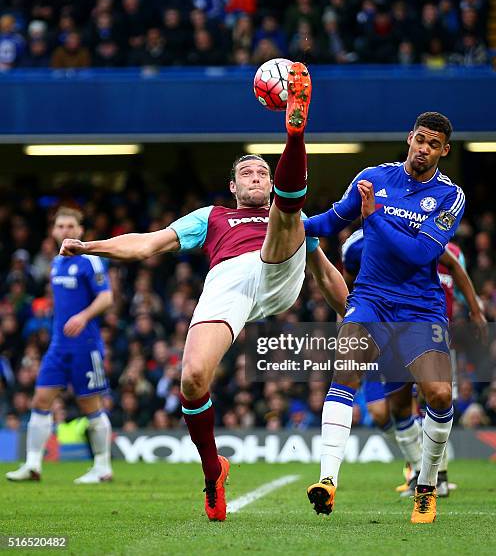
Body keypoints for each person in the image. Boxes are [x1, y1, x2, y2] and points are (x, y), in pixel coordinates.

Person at [56, 62, 349, 522]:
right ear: (233, 187)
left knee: (288, 216)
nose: (256, 176)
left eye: (262, 172)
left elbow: (327, 275)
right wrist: (90, 246)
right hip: (229, 281)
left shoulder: (290, 220)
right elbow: (146, 245)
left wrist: (353, 314)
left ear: (271, 182)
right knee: (192, 379)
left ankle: (295, 134)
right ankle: (213, 471)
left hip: (279, 269)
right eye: (247, 173)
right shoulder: (211, 217)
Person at [305, 112, 465, 523]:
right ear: (409, 138)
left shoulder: (451, 196)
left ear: (444, 150)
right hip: (371, 298)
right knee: (345, 369)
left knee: (440, 395)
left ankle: (426, 486)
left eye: (434, 144)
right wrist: (289, 219)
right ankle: (327, 480)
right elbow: (331, 221)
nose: (424, 149)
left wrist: (373, 214)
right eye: (420, 140)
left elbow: (421, 254)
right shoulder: (373, 177)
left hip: (419, 307)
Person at [341, 230, 486, 497]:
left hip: (432, 335)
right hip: (389, 334)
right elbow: (347, 282)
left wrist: (475, 312)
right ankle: (417, 468)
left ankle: (434, 476)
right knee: (388, 410)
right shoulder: (369, 243)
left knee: (437, 400)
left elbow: (461, 287)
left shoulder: (446, 250)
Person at [6, 207, 114, 484]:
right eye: (60, 226)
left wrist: (83, 316)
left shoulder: (90, 260)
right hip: (58, 346)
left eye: (70, 227)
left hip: (84, 345)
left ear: (80, 231)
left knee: (91, 405)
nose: (65, 231)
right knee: (40, 401)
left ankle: (102, 467)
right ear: (53, 231)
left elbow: (106, 298)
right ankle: (32, 465)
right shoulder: (56, 263)